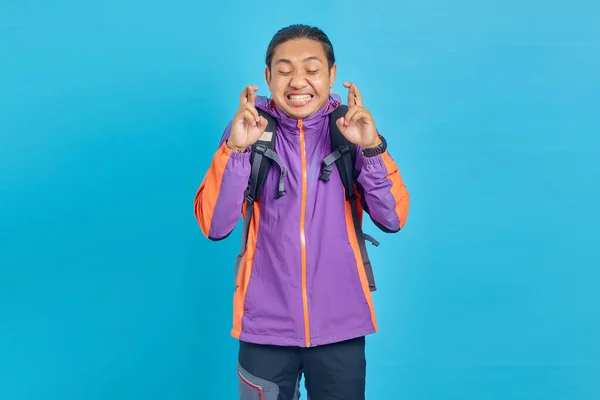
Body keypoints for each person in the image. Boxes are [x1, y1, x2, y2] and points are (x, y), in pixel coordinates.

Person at [194, 24, 410, 400]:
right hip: (264, 328)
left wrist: (372, 148)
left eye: (311, 70)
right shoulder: (250, 130)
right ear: (267, 77)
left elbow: (391, 218)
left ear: (331, 75)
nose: (298, 81)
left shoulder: (350, 129)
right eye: (284, 70)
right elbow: (214, 225)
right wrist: (237, 150)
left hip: (341, 325)